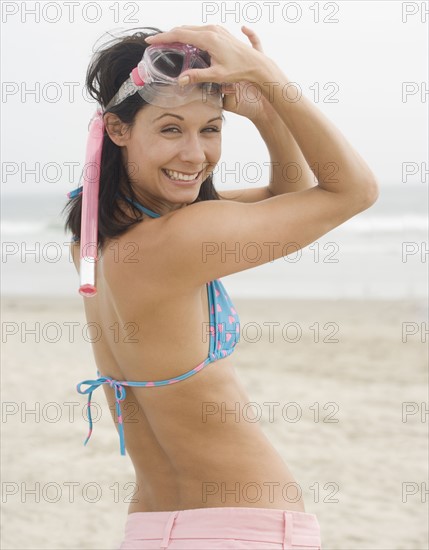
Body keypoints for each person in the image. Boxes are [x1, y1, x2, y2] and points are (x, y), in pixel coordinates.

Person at [63, 24, 379, 550]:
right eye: (170, 130)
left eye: (211, 129)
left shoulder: (92, 240)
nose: (194, 155)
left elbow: (289, 194)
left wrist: (264, 115)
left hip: (150, 530)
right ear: (117, 130)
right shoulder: (185, 238)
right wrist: (269, 77)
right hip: (242, 528)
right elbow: (354, 189)